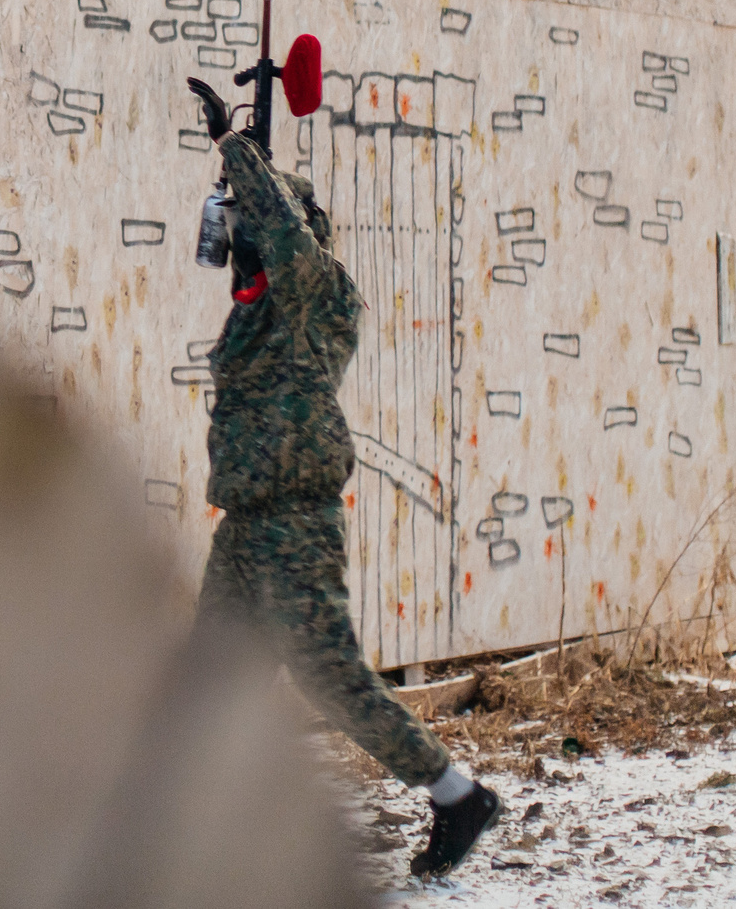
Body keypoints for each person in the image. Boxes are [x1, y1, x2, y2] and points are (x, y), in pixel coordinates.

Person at [184, 74, 503, 880]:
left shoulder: (316, 293)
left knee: (331, 678)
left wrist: (236, 153)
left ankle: (457, 793)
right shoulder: (255, 309)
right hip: (247, 524)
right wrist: (237, 175)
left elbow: (289, 244)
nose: (228, 243)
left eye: (239, 226)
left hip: (295, 524)